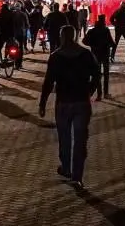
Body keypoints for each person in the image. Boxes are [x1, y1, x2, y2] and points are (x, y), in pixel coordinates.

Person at [39, 25, 101, 187]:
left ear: (61, 37)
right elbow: (96, 74)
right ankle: (77, 176)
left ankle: (66, 167)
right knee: (80, 140)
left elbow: (48, 81)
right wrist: (90, 90)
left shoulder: (56, 56)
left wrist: (43, 103)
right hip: (81, 101)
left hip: (64, 102)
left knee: (64, 138)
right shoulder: (86, 54)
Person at [84, 14, 116, 98]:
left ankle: (99, 94)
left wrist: (92, 45)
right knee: (106, 74)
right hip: (105, 54)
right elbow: (111, 41)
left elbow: (84, 41)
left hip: (95, 55)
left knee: (97, 74)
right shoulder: (106, 30)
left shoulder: (92, 31)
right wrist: (112, 45)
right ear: (104, 21)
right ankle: (106, 93)